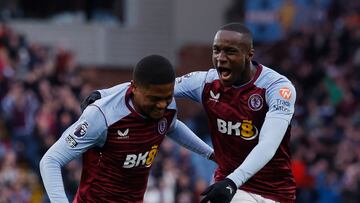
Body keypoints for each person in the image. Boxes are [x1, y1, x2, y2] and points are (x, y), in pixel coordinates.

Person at [83, 23, 297, 203]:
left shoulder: (276, 88)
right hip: (229, 189)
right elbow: (152, 87)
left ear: (249, 54)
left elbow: (268, 145)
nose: (220, 58)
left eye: (230, 51)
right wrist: (105, 93)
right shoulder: (206, 82)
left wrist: (233, 181)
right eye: (216, 50)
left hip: (273, 193)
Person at [40, 54, 215, 203]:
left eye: (167, 98)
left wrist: (210, 154)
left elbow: (172, 126)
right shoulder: (102, 116)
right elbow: (50, 160)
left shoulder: (167, 107)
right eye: (154, 98)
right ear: (134, 89)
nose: (161, 105)